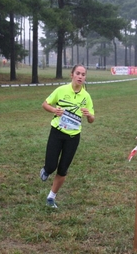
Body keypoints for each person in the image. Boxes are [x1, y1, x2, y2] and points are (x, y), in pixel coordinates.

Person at [40, 64, 95, 208]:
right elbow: (45, 104)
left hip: (73, 137)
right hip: (57, 132)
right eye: (78, 73)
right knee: (51, 166)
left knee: (63, 168)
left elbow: (91, 119)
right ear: (72, 75)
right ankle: (46, 170)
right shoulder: (61, 90)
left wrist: (89, 115)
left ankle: (51, 197)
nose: (80, 76)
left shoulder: (86, 96)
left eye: (83, 74)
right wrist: (54, 110)